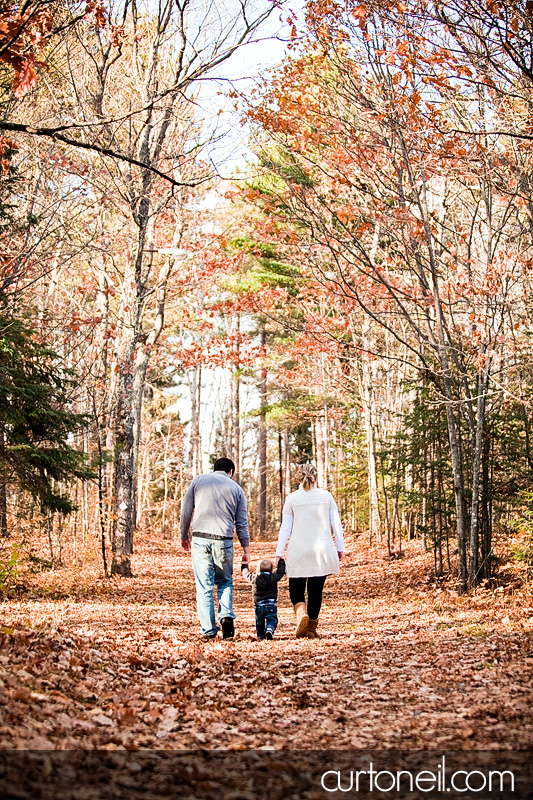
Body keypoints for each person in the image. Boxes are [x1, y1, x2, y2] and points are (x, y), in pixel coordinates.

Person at [180, 457, 250, 641]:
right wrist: (246, 549)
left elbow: (186, 511)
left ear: (215, 469)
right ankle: (226, 616)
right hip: (224, 540)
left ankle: (209, 630)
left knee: (204, 585)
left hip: (200, 538)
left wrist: (184, 535)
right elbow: (241, 523)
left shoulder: (198, 481)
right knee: (225, 581)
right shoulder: (236, 489)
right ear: (230, 472)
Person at [275, 463, 344, 639]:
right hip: (322, 550)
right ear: (315, 477)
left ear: (298, 478)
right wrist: (340, 547)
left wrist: (278, 552)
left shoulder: (292, 498)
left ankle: (301, 614)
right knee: (316, 590)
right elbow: (336, 524)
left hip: (298, 549)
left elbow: (285, 528)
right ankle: (311, 628)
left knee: (295, 589)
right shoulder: (326, 496)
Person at [241, 557, 286, 640]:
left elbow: (246, 574)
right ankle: (269, 629)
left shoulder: (255, 579)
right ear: (272, 570)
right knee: (272, 619)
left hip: (259, 605)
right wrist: (281, 561)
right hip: (271, 604)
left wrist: (244, 565)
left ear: (258, 569)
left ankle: (260, 635)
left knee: (259, 621)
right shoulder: (273, 578)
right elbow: (280, 572)